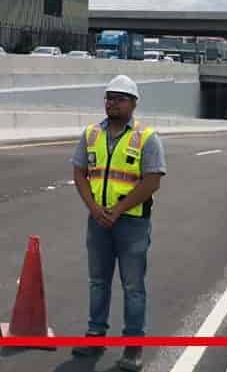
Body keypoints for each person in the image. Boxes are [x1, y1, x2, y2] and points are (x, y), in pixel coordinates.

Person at [69, 75, 166, 371]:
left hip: (132, 224)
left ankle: (133, 347)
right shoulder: (90, 134)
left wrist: (118, 209)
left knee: (133, 286)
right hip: (97, 221)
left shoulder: (147, 138)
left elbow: (152, 181)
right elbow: (79, 173)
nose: (112, 102)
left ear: (133, 104)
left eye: (119, 98)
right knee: (98, 282)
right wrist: (95, 209)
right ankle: (95, 334)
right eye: (109, 97)